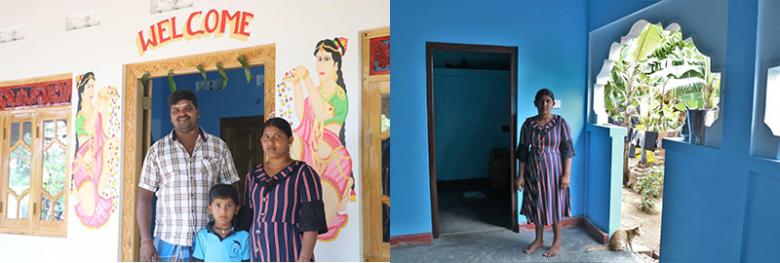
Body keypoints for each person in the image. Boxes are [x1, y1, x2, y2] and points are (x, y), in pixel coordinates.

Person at [137, 90, 240, 261]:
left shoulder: (218, 147)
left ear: (197, 112)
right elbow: (144, 198)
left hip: (211, 238)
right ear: (170, 116)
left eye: (188, 108)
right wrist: (146, 240)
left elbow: (233, 191)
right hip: (169, 240)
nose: (182, 114)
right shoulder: (157, 151)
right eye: (175, 110)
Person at [285, 37, 354, 240]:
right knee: (291, 138)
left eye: (325, 59)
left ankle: (345, 184)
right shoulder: (317, 90)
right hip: (311, 146)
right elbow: (301, 114)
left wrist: (306, 80)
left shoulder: (339, 93)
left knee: (320, 218)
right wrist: (297, 83)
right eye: (318, 59)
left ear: (335, 64)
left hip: (330, 152)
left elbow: (322, 115)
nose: (320, 64)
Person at [244, 117, 327, 262]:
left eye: (277, 136)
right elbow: (248, 218)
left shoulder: (303, 173)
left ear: (290, 139)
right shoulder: (253, 176)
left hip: (291, 253)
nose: (270, 142)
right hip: (257, 255)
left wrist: (304, 258)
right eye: (266, 137)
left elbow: (311, 222)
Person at [516, 88, 575, 257]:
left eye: (548, 101)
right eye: (541, 101)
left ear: (553, 104)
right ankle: (539, 239)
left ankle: (556, 242)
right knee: (536, 204)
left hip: (554, 171)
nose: (545, 104)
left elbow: (568, 151)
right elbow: (522, 152)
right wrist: (520, 176)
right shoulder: (528, 124)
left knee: (555, 204)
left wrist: (567, 174)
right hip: (533, 171)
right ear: (535, 103)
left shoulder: (561, 123)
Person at [72, 72, 118, 227]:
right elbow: (90, 129)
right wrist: (99, 98)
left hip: (95, 154)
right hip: (85, 158)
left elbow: (103, 127)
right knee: (90, 207)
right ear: (82, 90)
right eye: (89, 86)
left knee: (113, 144)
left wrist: (106, 100)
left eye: (93, 86)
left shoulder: (94, 109)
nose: (92, 89)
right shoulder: (80, 115)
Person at [192, 184, 250, 262]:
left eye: (228, 205)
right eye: (218, 205)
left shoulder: (244, 236)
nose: (223, 211)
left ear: (236, 209)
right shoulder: (202, 236)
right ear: (210, 209)